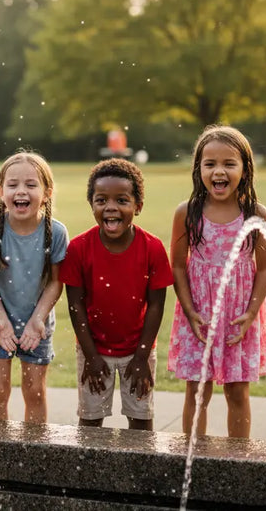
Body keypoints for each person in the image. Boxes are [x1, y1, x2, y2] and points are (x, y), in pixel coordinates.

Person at [167, 125, 266, 438]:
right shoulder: (187, 213)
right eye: (210, 164)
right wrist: (189, 311)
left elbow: (265, 270)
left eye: (229, 163)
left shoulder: (255, 214)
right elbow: (177, 266)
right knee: (197, 392)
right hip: (199, 315)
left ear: (245, 169)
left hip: (238, 316)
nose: (219, 171)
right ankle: (194, 453)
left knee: (237, 392)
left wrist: (251, 313)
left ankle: (238, 457)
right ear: (198, 169)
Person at [60, 159, 173, 430]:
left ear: (138, 206)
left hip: (138, 349)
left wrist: (142, 357)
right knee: (90, 420)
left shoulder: (153, 248)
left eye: (122, 200)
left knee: (141, 420)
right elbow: (75, 305)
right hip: (93, 348)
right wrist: (91, 356)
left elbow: (156, 306)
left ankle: (140, 461)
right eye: (101, 200)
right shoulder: (78, 248)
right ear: (92, 205)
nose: (110, 207)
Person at [0, 151, 68, 423]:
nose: (21, 191)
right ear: (0, 191)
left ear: (47, 193)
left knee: (35, 392)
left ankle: (33, 449)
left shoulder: (57, 233)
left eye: (31, 184)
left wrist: (37, 320)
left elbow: (56, 281)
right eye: (13, 184)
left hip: (36, 323)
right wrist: (1, 320)